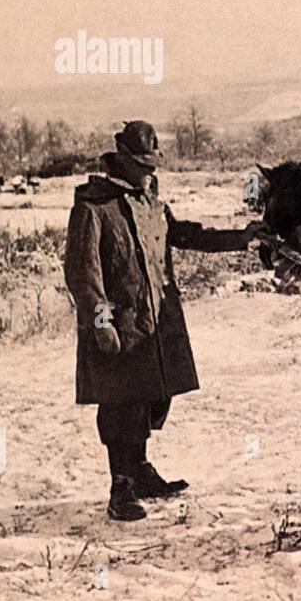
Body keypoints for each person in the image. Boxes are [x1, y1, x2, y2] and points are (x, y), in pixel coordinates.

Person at [64, 121, 265, 520]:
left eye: (153, 164)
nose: (151, 171)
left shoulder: (151, 204)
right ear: (120, 160)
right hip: (120, 326)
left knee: (154, 396)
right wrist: (101, 323)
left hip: (155, 324)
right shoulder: (93, 208)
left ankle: (140, 472)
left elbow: (189, 235)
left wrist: (242, 237)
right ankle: (121, 488)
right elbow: (81, 274)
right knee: (121, 404)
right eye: (142, 164)